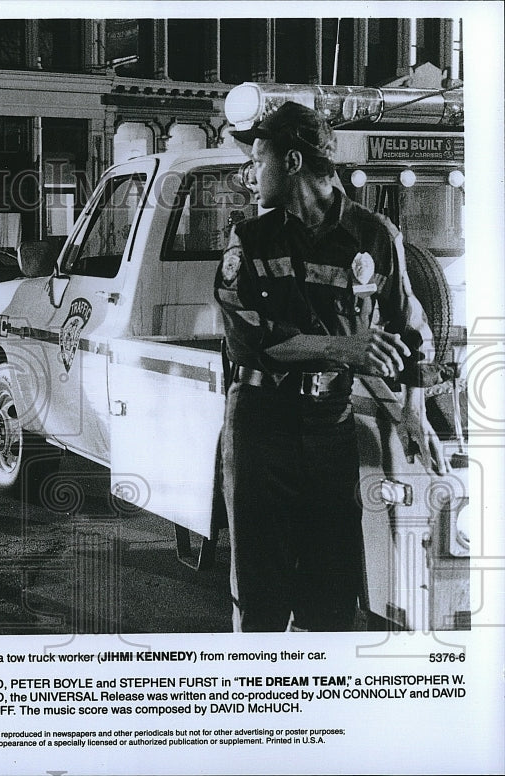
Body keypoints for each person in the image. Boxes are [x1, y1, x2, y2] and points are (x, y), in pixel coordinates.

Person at [215, 102, 448, 632]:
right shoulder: (249, 239)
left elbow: (411, 329)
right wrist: (344, 349)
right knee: (262, 599)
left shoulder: (374, 236)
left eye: (259, 158)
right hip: (259, 425)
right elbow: (249, 340)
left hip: (330, 427)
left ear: (292, 160)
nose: (251, 175)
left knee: (332, 599)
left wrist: (414, 407)